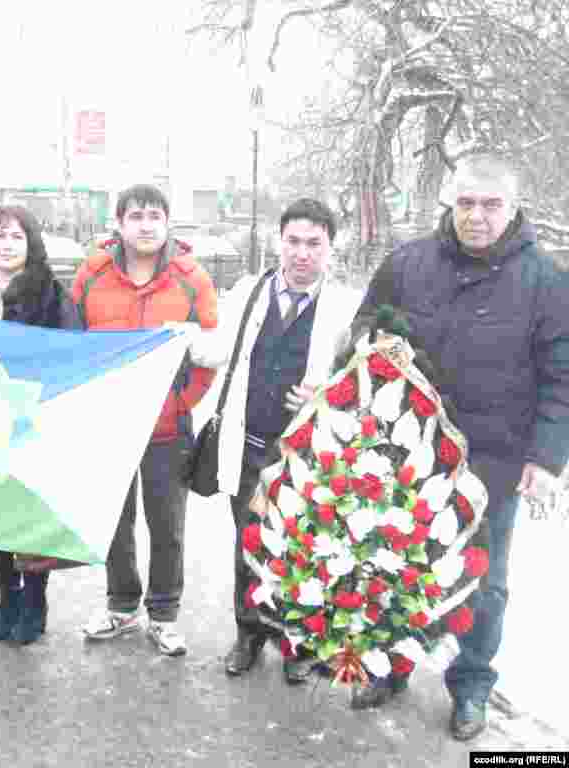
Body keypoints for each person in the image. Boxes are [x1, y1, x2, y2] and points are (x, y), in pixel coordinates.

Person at [345, 156, 569, 741]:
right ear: (450, 203)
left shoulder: (547, 282)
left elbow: (562, 376)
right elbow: (366, 324)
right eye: (466, 203)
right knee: (393, 563)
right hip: (406, 451)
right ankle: (390, 664)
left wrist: (547, 458)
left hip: (493, 459)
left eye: (491, 204)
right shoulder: (408, 264)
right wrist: (372, 341)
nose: (477, 216)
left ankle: (471, 685)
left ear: (513, 208)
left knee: (483, 581)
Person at [189, 198, 362, 683]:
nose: (302, 253)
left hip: (307, 456)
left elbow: (360, 380)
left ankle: (297, 642)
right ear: (278, 242)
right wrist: (169, 337)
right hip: (249, 448)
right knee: (249, 544)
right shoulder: (249, 292)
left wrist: (328, 394)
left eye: (314, 244)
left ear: (330, 248)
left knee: (304, 548)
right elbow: (215, 348)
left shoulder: (346, 309)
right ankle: (249, 634)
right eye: (293, 241)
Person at [76, 184, 217, 657]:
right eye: (135, 216)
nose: (146, 225)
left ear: (167, 222)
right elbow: (74, 342)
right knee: (115, 522)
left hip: (167, 427)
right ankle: (121, 605)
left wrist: (182, 402)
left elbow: (209, 353)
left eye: (155, 215)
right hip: (108, 425)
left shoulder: (191, 279)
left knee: (167, 526)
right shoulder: (93, 275)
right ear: (119, 224)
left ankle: (163, 614)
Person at [0, 205, 79, 645]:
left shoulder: (50, 294)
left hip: (32, 416)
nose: (7, 245)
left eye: (16, 236)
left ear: (31, 244)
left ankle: (35, 602)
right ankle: (8, 599)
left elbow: (69, 350)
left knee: (29, 512)